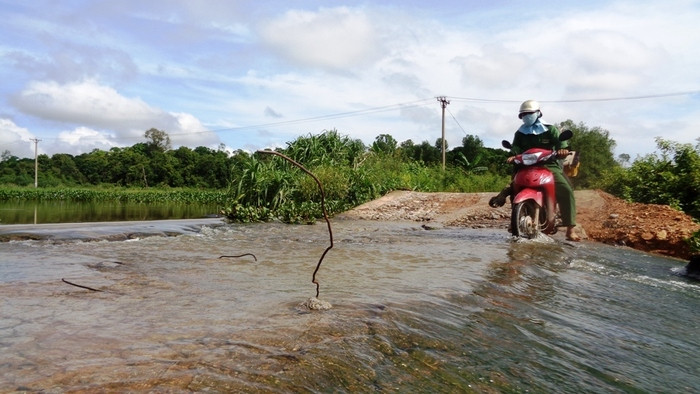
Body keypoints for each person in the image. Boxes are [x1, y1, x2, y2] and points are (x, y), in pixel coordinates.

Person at [489, 100, 580, 241]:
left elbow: (561, 143)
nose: (526, 116)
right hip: (526, 165)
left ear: (537, 113)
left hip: (548, 165)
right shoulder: (520, 133)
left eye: (529, 113)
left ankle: (570, 229)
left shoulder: (550, 129)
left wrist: (563, 150)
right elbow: (515, 148)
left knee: (566, 189)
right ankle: (516, 219)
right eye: (523, 114)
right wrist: (512, 156)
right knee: (514, 187)